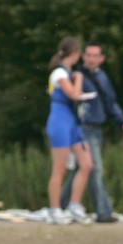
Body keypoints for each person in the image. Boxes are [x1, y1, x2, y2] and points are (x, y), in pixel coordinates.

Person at [60, 42, 123, 224]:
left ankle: (60, 207)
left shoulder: (102, 77)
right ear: (83, 57)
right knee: (94, 168)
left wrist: (122, 121)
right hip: (83, 127)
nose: (91, 59)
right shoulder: (77, 76)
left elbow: (110, 102)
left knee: (81, 169)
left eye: (95, 56)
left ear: (102, 59)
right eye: (88, 55)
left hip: (97, 128)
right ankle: (103, 212)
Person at [44, 37, 93, 226]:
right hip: (60, 121)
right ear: (75, 54)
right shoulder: (59, 73)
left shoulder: (68, 72)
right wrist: (79, 79)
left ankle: (74, 205)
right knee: (60, 168)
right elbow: (73, 94)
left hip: (72, 122)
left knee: (87, 164)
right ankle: (55, 209)